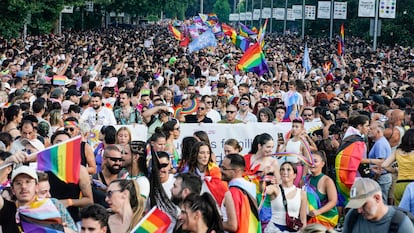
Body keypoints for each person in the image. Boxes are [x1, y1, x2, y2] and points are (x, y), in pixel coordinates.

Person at [0, 165, 78, 233]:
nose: (23, 186)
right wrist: (7, 162)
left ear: (36, 186)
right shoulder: (9, 210)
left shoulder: (52, 206)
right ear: (13, 189)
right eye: (18, 183)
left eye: (28, 182)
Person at [342, 178, 414, 233]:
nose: (359, 210)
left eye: (363, 204)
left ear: (377, 198)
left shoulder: (401, 224)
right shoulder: (353, 216)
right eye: (356, 206)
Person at [220, 153, 259, 233]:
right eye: (220, 167)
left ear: (235, 171)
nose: (220, 170)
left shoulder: (234, 192)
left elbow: (233, 226)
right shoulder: (251, 186)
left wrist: (212, 223)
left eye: (224, 168)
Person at [265, 162, 307, 232]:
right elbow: (263, 190)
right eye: (282, 169)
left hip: (293, 230)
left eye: (288, 169)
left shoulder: (302, 193)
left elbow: (303, 220)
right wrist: (262, 179)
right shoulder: (275, 188)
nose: (285, 172)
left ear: (294, 175)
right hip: (275, 229)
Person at [304, 151, 339, 229]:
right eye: (310, 161)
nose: (312, 163)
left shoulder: (327, 181)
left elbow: (333, 201)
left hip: (324, 220)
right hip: (308, 219)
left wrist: (318, 212)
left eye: (315, 161)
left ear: (322, 164)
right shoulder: (305, 180)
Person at [277, 118, 314, 187]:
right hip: (287, 168)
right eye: (293, 126)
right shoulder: (288, 141)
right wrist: (278, 145)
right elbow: (279, 156)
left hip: (298, 169)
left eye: (297, 127)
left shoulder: (303, 143)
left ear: (302, 129)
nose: (294, 129)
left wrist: (303, 178)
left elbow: (306, 162)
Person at [382, 129, 414, 205]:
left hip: (399, 185)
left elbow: (384, 165)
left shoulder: (398, 151)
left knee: (401, 213)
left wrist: (395, 170)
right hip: (412, 185)